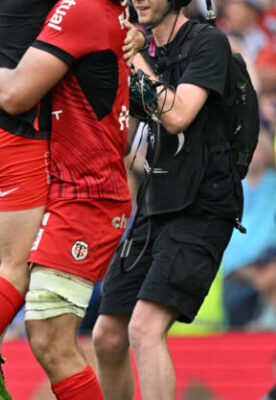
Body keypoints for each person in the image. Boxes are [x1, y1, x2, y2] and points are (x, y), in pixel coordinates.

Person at [0, 0, 133, 398]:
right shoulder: (86, 10)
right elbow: (17, 88)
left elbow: (16, 89)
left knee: (47, 331)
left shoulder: (84, 10)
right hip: (51, 165)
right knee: (32, 302)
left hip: (81, 189)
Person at [92, 0, 244, 398]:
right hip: (155, 205)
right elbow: (121, 143)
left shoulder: (208, 43)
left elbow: (176, 115)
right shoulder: (142, 53)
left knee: (143, 329)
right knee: (107, 336)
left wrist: (135, 57)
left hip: (204, 208)